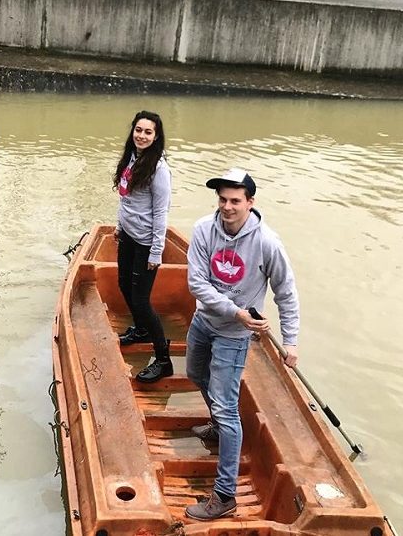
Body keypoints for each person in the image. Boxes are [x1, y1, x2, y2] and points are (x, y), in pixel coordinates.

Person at [184, 168, 300, 521]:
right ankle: (221, 430)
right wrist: (236, 311)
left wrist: (291, 341)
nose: (227, 207)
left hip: (235, 336)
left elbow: (286, 293)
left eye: (235, 200)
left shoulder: (267, 243)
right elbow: (197, 284)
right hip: (206, 320)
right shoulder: (204, 229)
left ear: (251, 202)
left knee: (225, 406)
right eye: (222, 200)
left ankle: (225, 495)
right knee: (193, 373)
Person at [113, 110, 173, 383]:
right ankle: (141, 330)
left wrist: (156, 251)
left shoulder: (158, 169)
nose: (142, 135)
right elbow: (125, 199)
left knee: (140, 299)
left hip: (146, 241)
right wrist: (119, 226)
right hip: (127, 235)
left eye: (148, 132)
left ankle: (163, 360)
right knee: (124, 285)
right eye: (139, 130)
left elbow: (161, 213)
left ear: (156, 136)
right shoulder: (131, 158)